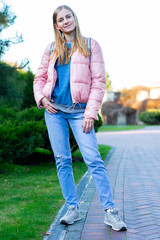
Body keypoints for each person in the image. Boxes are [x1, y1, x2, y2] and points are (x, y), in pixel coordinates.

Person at [33, 5, 127, 232]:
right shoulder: (50, 49)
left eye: (69, 16)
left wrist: (90, 113)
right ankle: (72, 208)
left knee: (94, 160)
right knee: (62, 160)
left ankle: (110, 212)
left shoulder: (91, 46)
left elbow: (98, 82)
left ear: (74, 18)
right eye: (61, 19)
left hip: (79, 112)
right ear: (56, 25)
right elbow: (40, 78)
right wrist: (42, 99)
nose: (66, 21)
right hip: (54, 111)